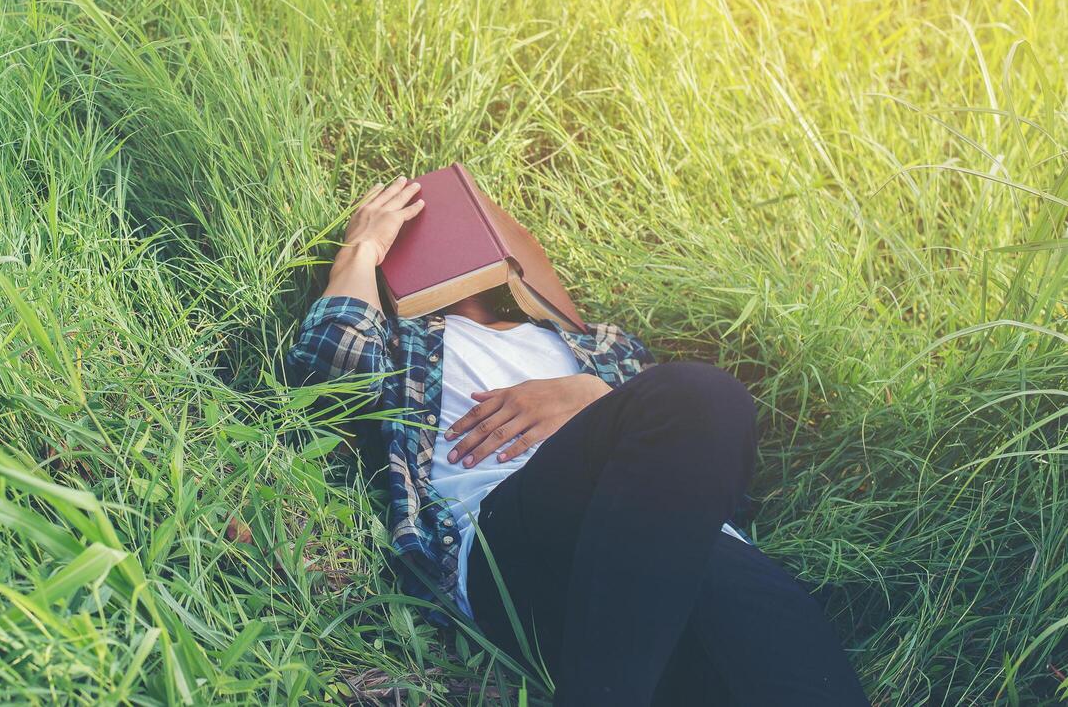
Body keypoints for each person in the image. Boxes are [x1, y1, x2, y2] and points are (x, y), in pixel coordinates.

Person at [285, 177, 869, 706]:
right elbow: (327, 362)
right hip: (514, 538)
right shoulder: (406, 342)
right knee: (703, 394)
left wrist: (594, 394)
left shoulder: (602, 349)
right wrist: (362, 248)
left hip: (682, 552)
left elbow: (700, 460)